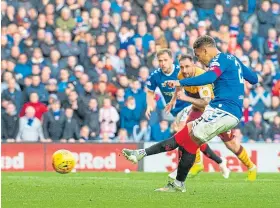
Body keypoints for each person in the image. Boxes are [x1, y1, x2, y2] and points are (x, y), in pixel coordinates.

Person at [123, 36, 258, 192]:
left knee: (190, 137)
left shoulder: (218, 60)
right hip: (224, 111)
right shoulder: (232, 59)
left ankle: (172, 171)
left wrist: (180, 83)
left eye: (198, 56)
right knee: (186, 137)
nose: (199, 60)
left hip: (222, 110)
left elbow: (210, 77)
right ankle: (147, 160)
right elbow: (253, 79)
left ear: (205, 50)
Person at [123, 48, 228, 188]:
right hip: (186, 110)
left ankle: (189, 169)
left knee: (181, 135)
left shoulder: (197, 75)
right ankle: (218, 162)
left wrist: (184, 97)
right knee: (187, 140)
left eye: (165, 60)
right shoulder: (175, 74)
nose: (162, 63)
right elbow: (176, 86)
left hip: (201, 109)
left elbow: (205, 101)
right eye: (160, 60)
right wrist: (170, 101)